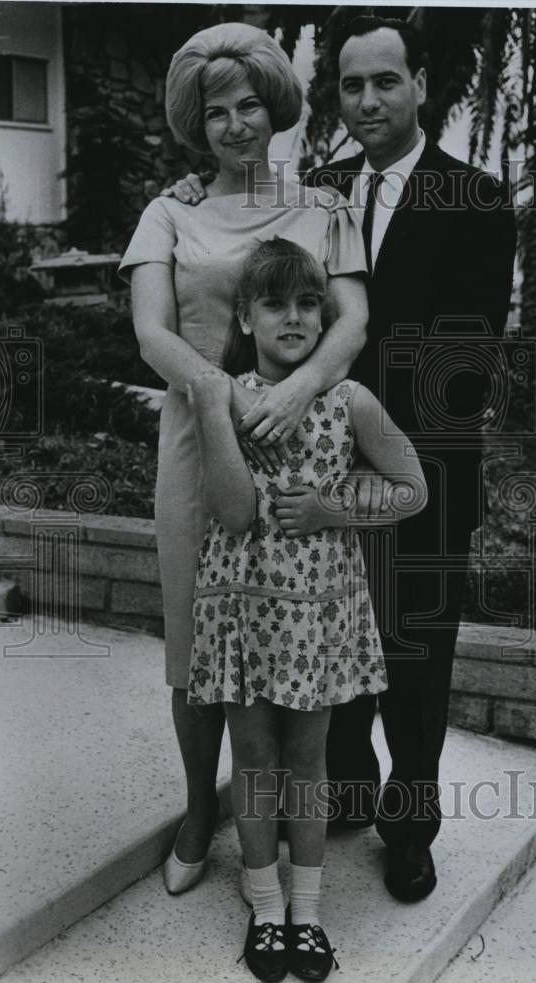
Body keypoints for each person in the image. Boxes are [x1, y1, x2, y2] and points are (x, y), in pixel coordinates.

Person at [163, 15, 517, 905]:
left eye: (384, 82)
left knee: (415, 655)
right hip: (304, 469)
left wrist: (351, 417)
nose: (366, 100)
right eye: (350, 86)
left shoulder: (472, 198)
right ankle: (348, 792)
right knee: (330, 640)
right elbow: (255, 263)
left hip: (413, 460)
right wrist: (195, 188)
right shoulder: (314, 191)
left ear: (419, 86)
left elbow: (462, 358)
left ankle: (411, 829)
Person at [118, 22, 370, 900]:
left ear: (276, 109)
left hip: (300, 446)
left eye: (249, 105)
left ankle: (283, 845)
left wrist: (295, 394)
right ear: (197, 121)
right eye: (216, 111)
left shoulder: (325, 208)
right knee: (195, 641)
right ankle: (198, 809)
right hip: (199, 443)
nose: (234, 125)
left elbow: (350, 323)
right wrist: (217, 390)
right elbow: (151, 331)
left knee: (286, 631)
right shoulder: (171, 210)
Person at [188, 235, 427, 983]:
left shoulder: (348, 400)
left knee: (307, 761)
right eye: (273, 303)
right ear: (246, 317)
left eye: (306, 303)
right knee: (254, 760)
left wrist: (332, 509)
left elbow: (412, 489)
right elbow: (229, 511)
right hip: (241, 609)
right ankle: (264, 907)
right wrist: (212, 406)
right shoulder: (225, 391)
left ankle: (308, 914)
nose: (292, 317)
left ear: (325, 315)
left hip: (318, 612)